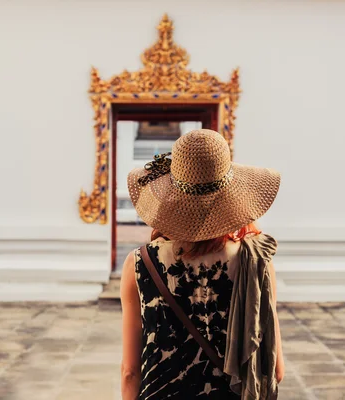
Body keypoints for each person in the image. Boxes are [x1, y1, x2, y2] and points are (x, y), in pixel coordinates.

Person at [120, 129, 284, 399]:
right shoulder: (255, 262)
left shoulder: (139, 263)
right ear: (233, 195)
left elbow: (130, 372)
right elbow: (274, 368)